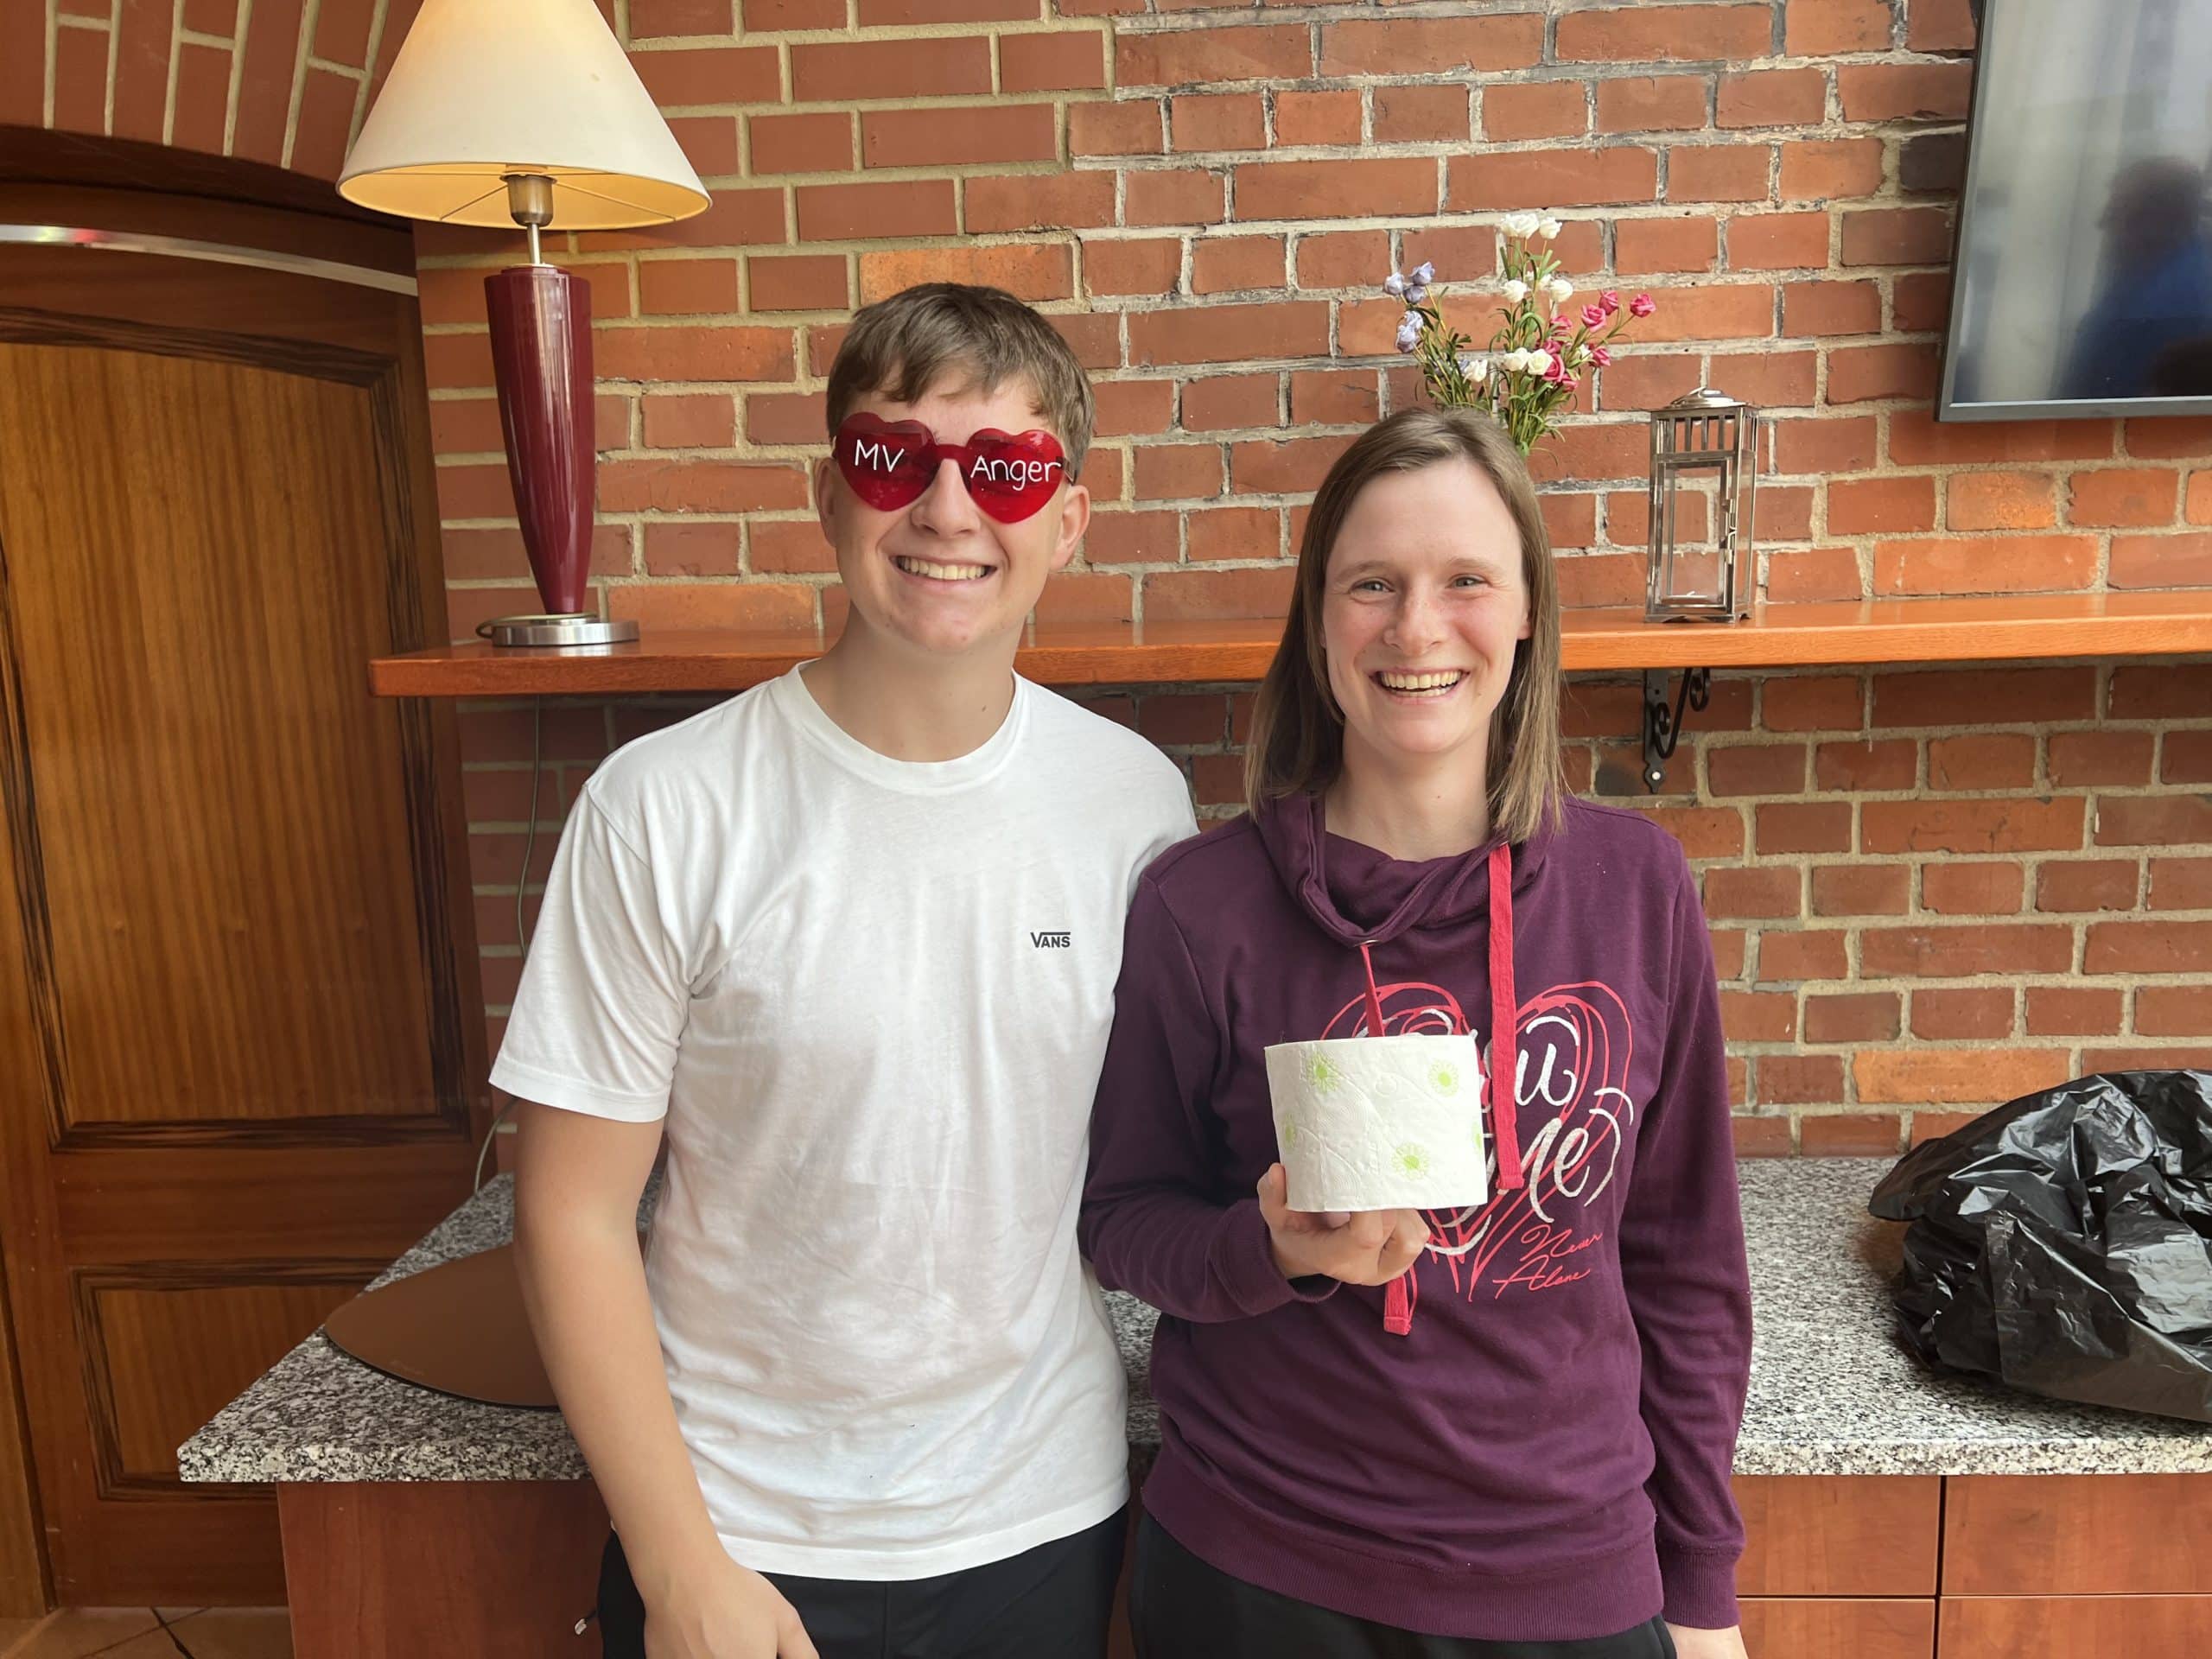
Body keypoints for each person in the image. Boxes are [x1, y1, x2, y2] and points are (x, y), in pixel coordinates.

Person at [496, 283, 1196, 1659]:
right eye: (894, 459)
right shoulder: (663, 806)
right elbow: (570, 1212)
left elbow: (1152, 1167)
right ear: (830, 494)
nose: (948, 511)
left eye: (1005, 470)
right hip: (738, 1528)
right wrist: (679, 1565)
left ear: (1066, 520)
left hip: (1039, 1516)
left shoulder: (1135, 805)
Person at [1081, 407, 1752, 1659]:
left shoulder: (1634, 887)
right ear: (1317, 619)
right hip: (1259, 1567)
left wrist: (1702, 1580)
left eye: (1466, 582)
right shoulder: (1199, 906)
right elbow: (1124, 1220)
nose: (1417, 627)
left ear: (1529, 611)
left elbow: (1687, 1260)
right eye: (1372, 584)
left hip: (1570, 1569)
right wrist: (1268, 1252)